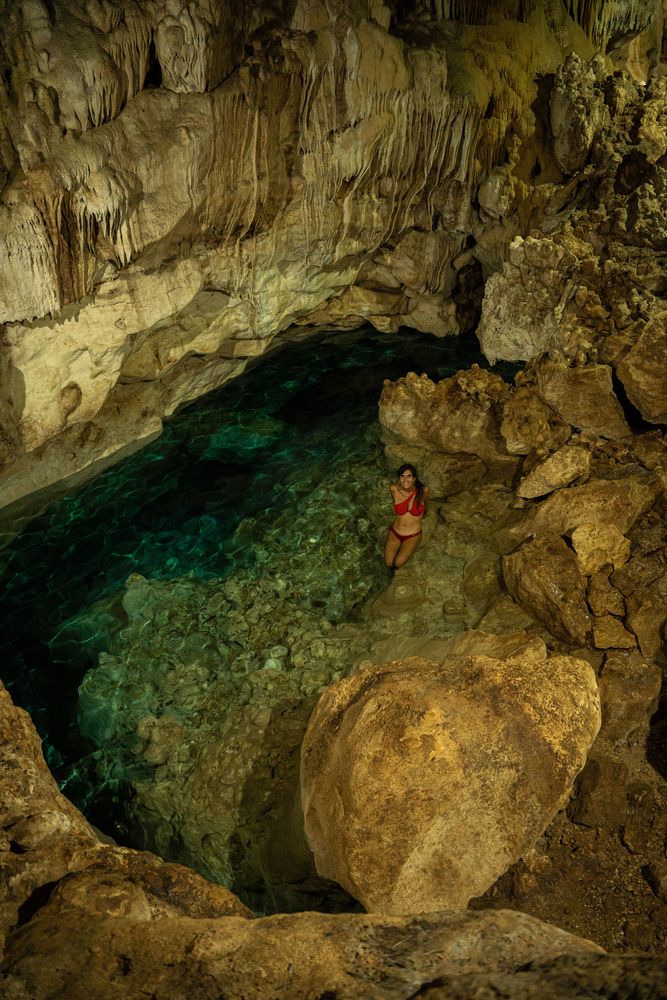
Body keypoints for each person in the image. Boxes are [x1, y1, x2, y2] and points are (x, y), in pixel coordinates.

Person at [384, 463, 430, 569]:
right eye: (402, 476)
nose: (405, 479)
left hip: (413, 535)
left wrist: (422, 516)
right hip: (395, 532)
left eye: (409, 476)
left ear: (414, 478)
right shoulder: (394, 489)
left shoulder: (423, 491)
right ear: (399, 478)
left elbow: (426, 506)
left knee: (398, 564)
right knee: (388, 564)